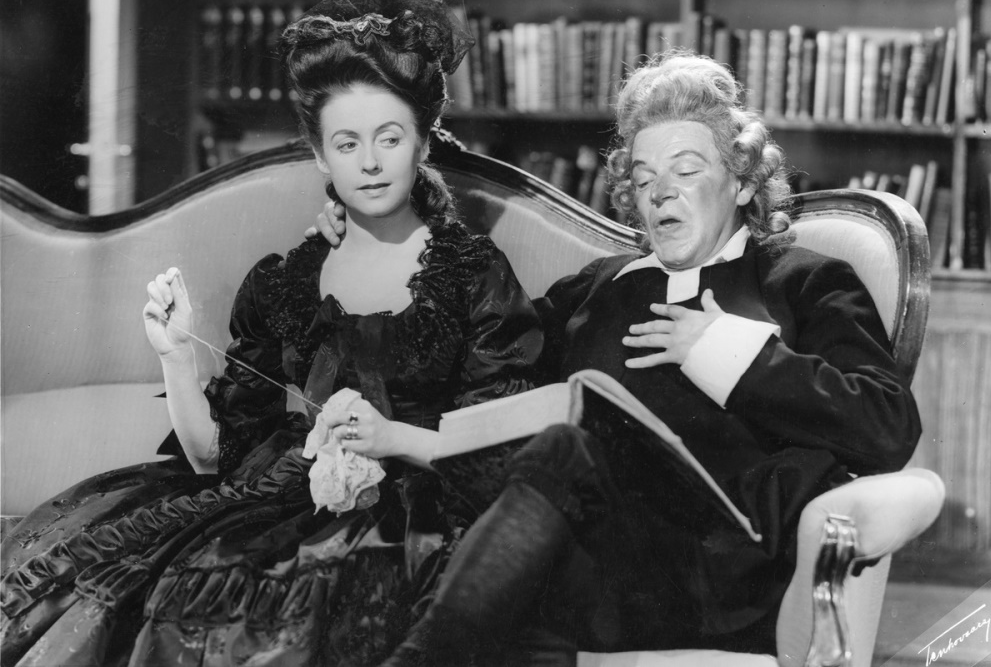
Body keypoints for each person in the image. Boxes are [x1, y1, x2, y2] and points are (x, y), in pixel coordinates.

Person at [313, 50, 922, 665]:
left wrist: (727, 351)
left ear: (741, 182)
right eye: (644, 178)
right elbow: (479, 363)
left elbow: (888, 423)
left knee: (560, 454)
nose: (661, 193)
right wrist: (366, 236)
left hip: (720, 579)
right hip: (595, 571)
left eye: (686, 170)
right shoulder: (599, 287)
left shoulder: (801, 281)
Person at [0, 0, 545, 667]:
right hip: (275, 504)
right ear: (319, 154)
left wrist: (392, 437)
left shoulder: (470, 274)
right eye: (346, 142)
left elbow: (505, 451)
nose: (369, 162)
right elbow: (214, 460)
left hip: (416, 521)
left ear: (421, 145)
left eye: (390, 138)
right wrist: (175, 355)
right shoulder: (286, 282)